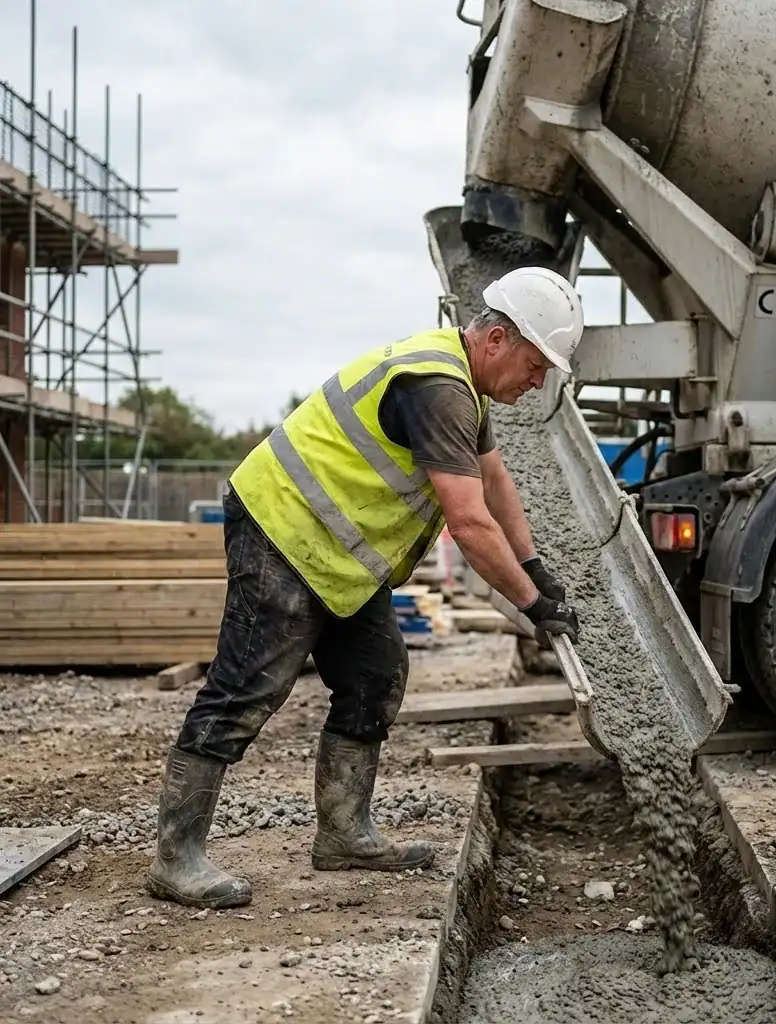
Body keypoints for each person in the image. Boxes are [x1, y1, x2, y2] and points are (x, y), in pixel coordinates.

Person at [145, 266, 584, 910]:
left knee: (375, 676)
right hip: (284, 527)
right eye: (536, 364)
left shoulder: (467, 387)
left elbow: (494, 481)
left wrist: (534, 565)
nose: (538, 381)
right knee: (246, 686)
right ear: (496, 340)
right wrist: (532, 605)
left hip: (339, 555)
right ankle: (175, 857)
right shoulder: (439, 389)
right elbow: (467, 522)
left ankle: (343, 834)